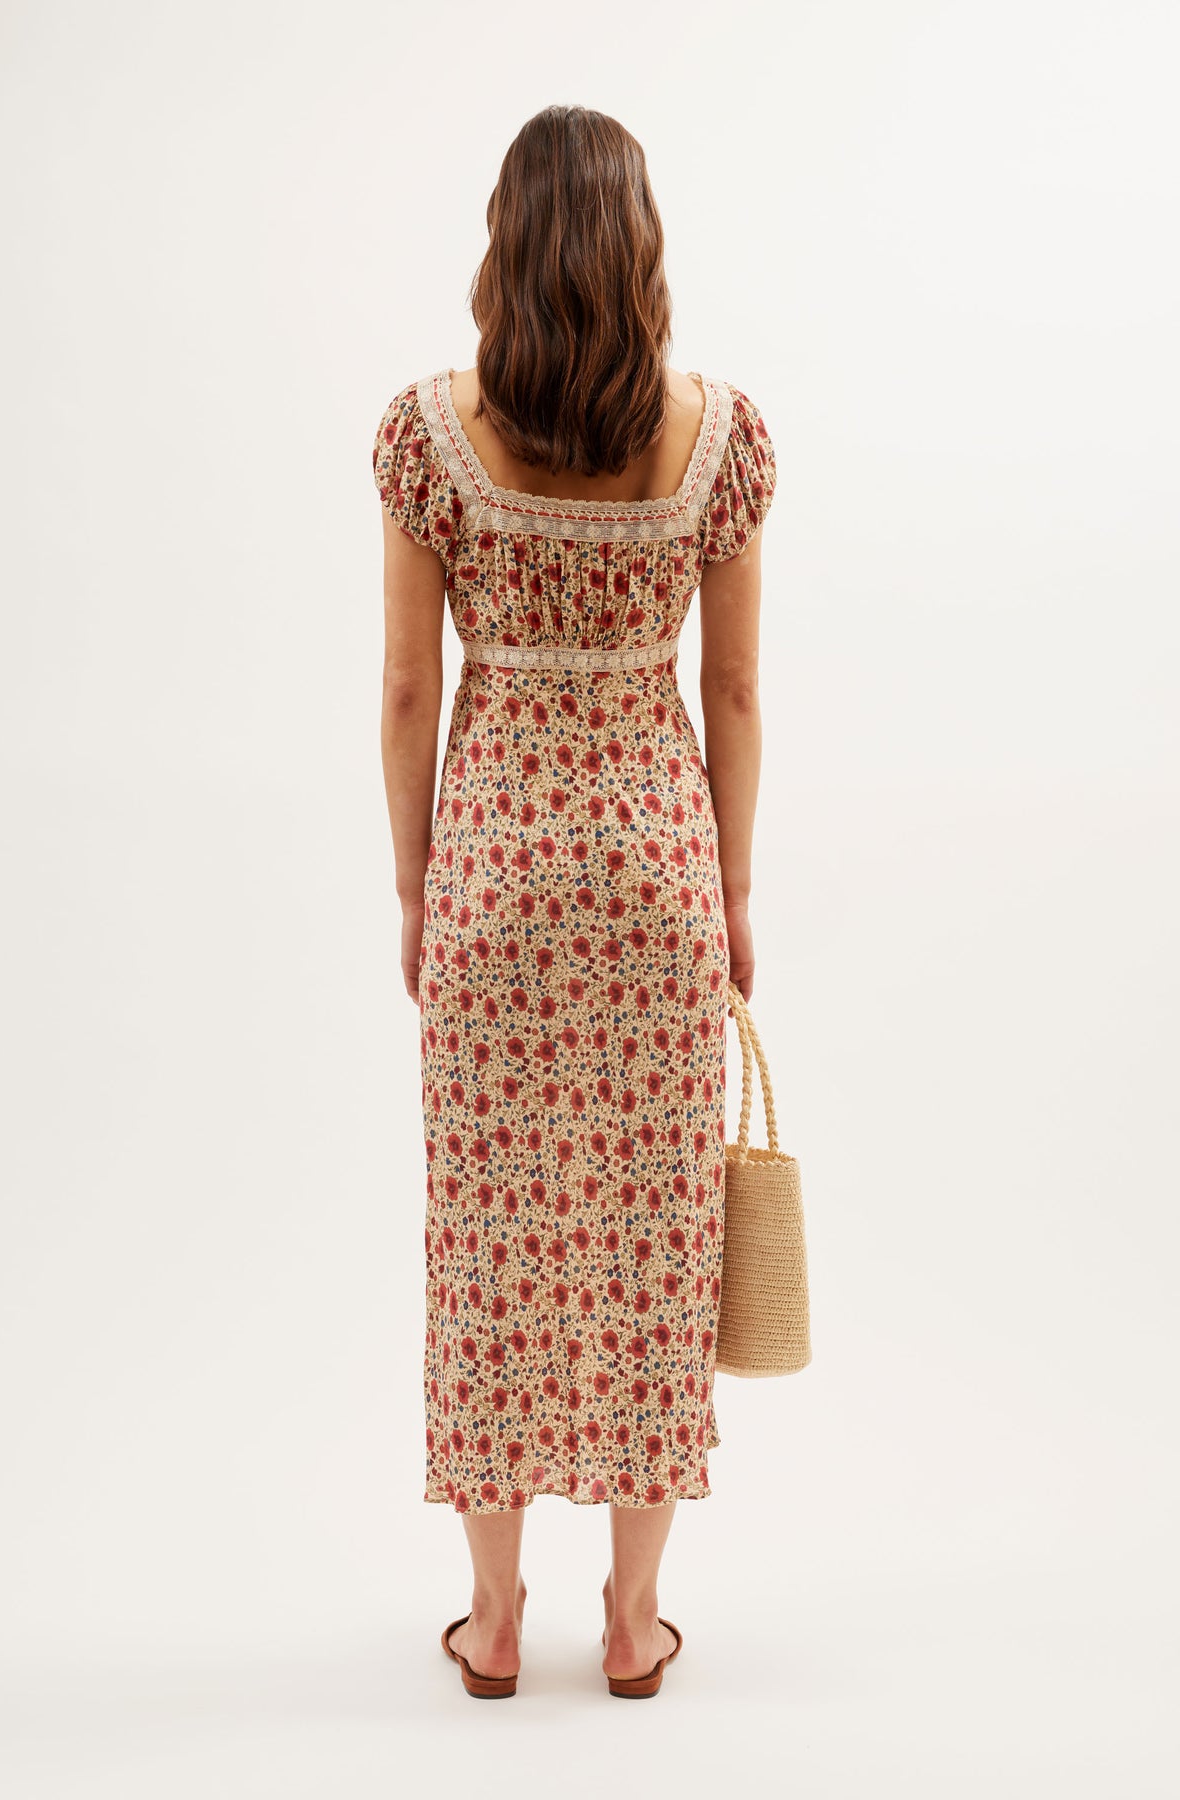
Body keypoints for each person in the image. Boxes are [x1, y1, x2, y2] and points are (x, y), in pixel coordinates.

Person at [372, 104, 777, 1699]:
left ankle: (492, 1621)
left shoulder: (429, 436)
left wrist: (418, 888)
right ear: (639, 251)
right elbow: (731, 690)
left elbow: (410, 691)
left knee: (490, 1241)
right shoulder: (720, 437)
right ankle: (631, 1619)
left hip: (494, 872)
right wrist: (730, 891)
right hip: (658, 879)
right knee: (653, 1243)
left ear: (507, 248)